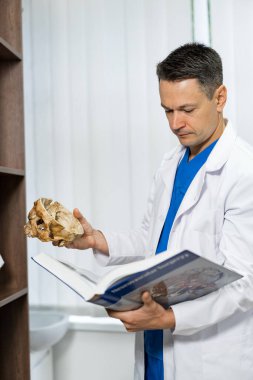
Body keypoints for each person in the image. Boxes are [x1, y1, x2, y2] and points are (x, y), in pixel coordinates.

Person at [59, 43, 253, 379]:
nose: (176, 124)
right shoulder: (170, 164)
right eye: (167, 110)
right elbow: (152, 240)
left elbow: (244, 284)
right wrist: (97, 240)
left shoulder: (243, 171)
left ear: (219, 98)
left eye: (187, 109)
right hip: (155, 348)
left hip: (206, 356)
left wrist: (169, 319)